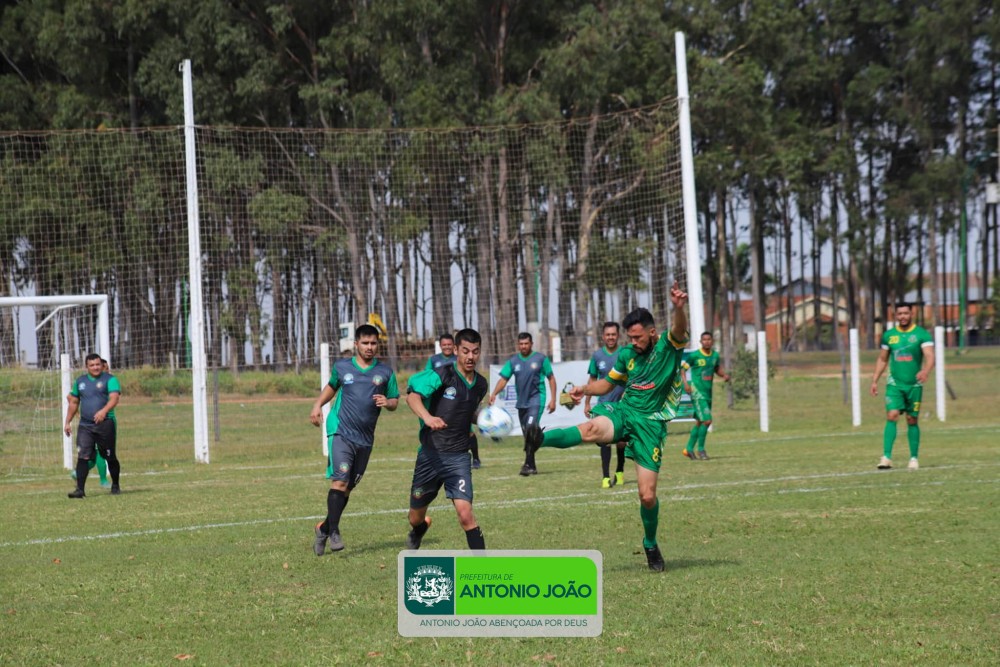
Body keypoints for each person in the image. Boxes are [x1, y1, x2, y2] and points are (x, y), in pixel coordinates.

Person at [524, 283, 689, 572]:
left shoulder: (668, 345)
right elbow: (608, 384)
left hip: (650, 424)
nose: (633, 342)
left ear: (652, 332)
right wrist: (584, 389)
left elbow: (679, 328)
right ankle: (539, 439)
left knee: (647, 496)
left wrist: (678, 308)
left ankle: (650, 543)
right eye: (630, 337)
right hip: (625, 411)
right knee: (590, 429)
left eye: (638, 337)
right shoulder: (626, 355)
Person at [309, 324, 399, 555]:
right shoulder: (342, 367)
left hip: (365, 439)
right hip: (341, 431)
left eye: (373, 343)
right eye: (365, 343)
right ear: (356, 344)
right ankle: (334, 532)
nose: (369, 347)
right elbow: (331, 387)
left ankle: (323, 528)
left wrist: (387, 403)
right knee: (339, 482)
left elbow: (395, 401)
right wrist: (318, 405)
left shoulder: (385, 372)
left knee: (347, 488)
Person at [404, 328, 489, 550]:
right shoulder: (442, 374)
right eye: (465, 351)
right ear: (457, 350)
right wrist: (428, 418)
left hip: (458, 458)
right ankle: (420, 528)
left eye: (475, 351)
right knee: (414, 517)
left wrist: (487, 421)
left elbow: (469, 412)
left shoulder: (481, 384)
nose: (470, 357)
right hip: (430, 455)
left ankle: (484, 567)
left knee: (466, 515)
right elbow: (412, 397)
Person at [870, 303, 934, 471]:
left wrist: (925, 371)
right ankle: (886, 457)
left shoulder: (921, 334)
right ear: (895, 315)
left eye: (906, 313)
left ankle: (913, 458)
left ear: (911, 314)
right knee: (892, 415)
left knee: (912, 419)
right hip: (894, 384)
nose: (903, 316)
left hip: (914, 385)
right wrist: (875, 380)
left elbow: (929, 356)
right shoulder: (889, 335)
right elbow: (883, 359)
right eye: (900, 314)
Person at [488, 332, 556, 476]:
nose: (523, 346)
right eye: (521, 344)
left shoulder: (541, 359)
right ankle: (531, 465)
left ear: (531, 344)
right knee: (528, 436)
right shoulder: (513, 361)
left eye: (526, 343)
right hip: (522, 403)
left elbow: (551, 378)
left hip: (536, 400)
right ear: (518, 345)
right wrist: (493, 393)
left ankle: (527, 464)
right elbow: (503, 380)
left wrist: (553, 399)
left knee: (531, 428)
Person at [65, 353, 122, 497]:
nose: (95, 367)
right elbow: (73, 402)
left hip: (105, 424)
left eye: (98, 364)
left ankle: (115, 485)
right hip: (85, 426)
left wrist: (104, 411)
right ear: (87, 366)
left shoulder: (110, 380)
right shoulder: (80, 381)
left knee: (109, 456)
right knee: (83, 456)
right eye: (92, 365)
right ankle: (80, 490)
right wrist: (67, 421)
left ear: (102, 365)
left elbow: (114, 398)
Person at [426, 333, 482, 469]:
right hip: (443, 402)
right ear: (440, 346)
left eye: (449, 344)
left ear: (454, 347)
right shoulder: (434, 360)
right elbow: (427, 378)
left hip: (462, 401)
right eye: (444, 345)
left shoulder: (460, 358)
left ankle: (476, 458)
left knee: (469, 431)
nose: (447, 347)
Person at [584, 322, 628, 488]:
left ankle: (620, 472)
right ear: (603, 336)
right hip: (603, 405)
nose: (611, 337)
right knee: (604, 440)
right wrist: (587, 403)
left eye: (613, 334)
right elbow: (592, 380)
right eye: (608, 334)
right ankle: (605, 477)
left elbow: (632, 377)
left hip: (621, 405)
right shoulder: (597, 356)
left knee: (621, 442)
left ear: (618, 335)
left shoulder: (625, 353)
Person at [681, 332, 731, 461]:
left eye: (709, 339)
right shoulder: (694, 356)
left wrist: (724, 375)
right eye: (704, 340)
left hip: (708, 393)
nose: (707, 342)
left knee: (699, 422)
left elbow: (716, 368)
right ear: (701, 341)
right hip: (697, 392)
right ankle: (701, 450)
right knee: (707, 421)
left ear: (712, 341)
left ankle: (688, 449)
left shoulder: (715, 355)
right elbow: (682, 370)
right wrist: (686, 384)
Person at [70, 358, 112, 488]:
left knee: (93, 457)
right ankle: (103, 480)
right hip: (95, 423)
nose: (107, 370)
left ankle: (78, 473)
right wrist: (77, 413)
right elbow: (71, 398)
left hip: (107, 421)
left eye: (107, 368)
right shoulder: (89, 383)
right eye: (105, 368)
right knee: (100, 452)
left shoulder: (109, 382)